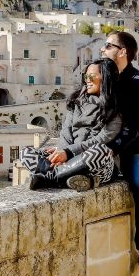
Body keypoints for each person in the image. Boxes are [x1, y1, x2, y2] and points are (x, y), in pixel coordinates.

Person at [101, 31, 139, 276]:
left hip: (135, 147)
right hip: (103, 146)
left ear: (122, 51)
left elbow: (136, 125)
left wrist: (112, 149)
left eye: (108, 46)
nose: (103, 50)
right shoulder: (101, 78)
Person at [23, 59, 122, 192]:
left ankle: (50, 177)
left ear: (106, 77)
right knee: (26, 152)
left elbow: (102, 138)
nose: (87, 80)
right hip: (69, 158)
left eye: (91, 76)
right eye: (85, 76)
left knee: (101, 150)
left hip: (96, 165)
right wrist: (61, 152)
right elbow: (66, 132)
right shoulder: (76, 102)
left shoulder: (116, 108)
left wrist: (68, 152)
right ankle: (69, 178)